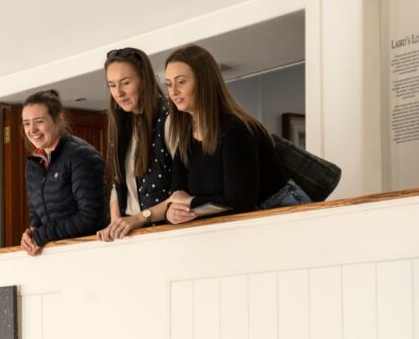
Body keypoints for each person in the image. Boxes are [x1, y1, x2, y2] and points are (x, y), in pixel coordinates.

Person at [162, 44, 310, 225]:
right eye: (169, 84)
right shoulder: (185, 140)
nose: (173, 92)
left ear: (204, 81)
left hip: (284, 211)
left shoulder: (235, 129)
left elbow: (240, 202)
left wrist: (190, 202)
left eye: (181, 82)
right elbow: (176, 195)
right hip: (245, 222)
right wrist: (172, 213)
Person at [96, 48, 174, 242]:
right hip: (133, 235)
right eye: (112, 85)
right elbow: (118, 183)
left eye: (126, 83)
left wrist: (141, 218)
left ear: (144, 80)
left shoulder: (169, 117)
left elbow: (185, 187)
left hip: (165, 232)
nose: (118, 93)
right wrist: (116, 222)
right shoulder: (122, 123)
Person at [20, 90, 107, 256]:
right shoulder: (33, 165)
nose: (32, 129)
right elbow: (37, 217)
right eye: (26, 123)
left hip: (90, 252)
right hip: (55, 255)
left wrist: (42, 235)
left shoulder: (81, 154)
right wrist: (31, 233)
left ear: (58, 119)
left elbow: (90, 218)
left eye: (39, 121)